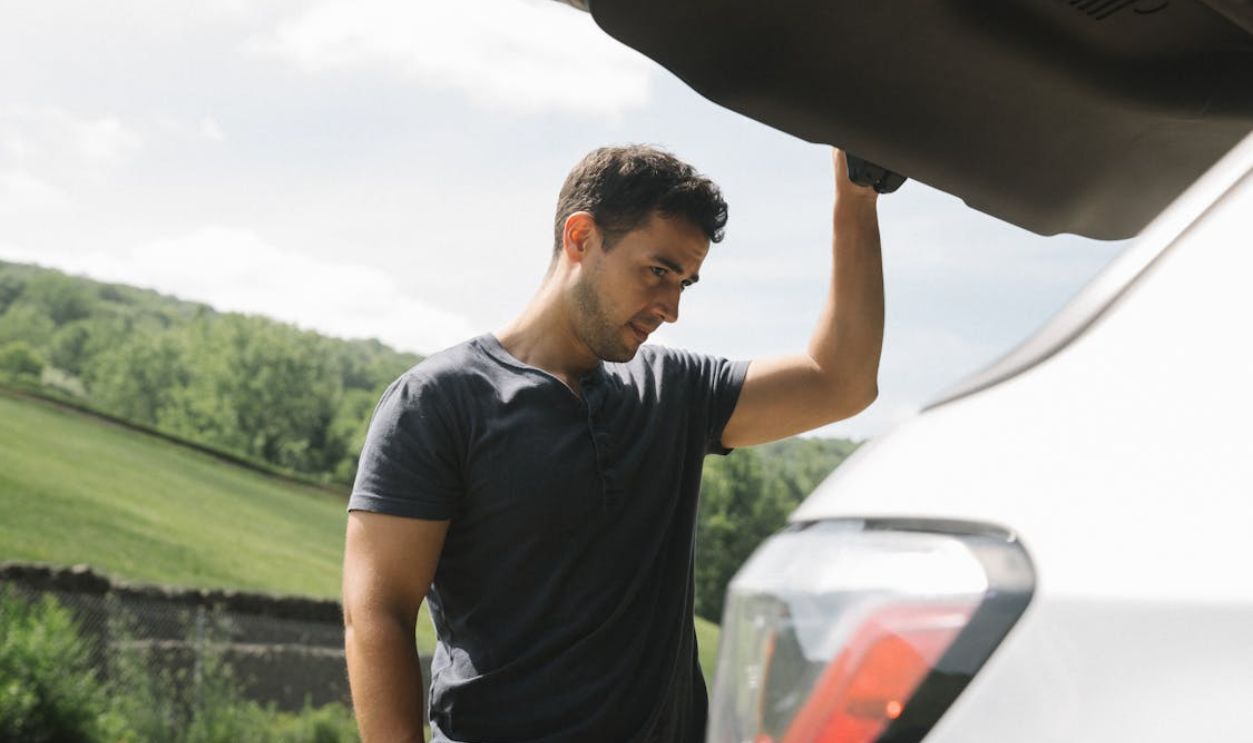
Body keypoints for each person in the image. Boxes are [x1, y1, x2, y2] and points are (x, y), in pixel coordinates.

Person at [341, 144, 884, 742]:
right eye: (658, 271)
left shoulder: (677, 392)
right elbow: (379, 612)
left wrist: (855, 194)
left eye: (686, 282)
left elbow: (841, 382)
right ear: (580, 238)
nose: (672, 307)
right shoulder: (438, 401)